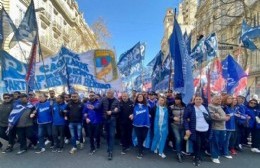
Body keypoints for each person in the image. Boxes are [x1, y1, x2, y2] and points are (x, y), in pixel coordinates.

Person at [89, 89, 119, 160]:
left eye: (109, 93)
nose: (107, 94)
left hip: (112, 120)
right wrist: (94, 108)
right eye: (107, 93)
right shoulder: (103, 99)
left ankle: (110, 151)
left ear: (112, 94)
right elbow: (98, 107)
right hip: (105, 120)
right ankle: (109, 146)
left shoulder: (116, 101)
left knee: (111, 135)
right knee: (107, 135)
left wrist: (112, 112)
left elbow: (119, 109)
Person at [184, 95, 210, 166]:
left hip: (205, 129)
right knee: (197, 144)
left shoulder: (205, 107)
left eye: (200, 99)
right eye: (196, 99)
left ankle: (198, 156)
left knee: (202, 144)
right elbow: (185, 119)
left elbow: (208, 117)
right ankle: (196, 159)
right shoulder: (190, 108)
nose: (198, 100)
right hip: (195, 129)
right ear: (194, 100)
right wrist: (187, 129)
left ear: (202, 100)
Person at [208, 95, 231, 164]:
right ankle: (214, 157)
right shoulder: (210, 106)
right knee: (215, 142)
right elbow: (213, 117)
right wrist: (225, 118)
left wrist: (226, 116)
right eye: (217, 99)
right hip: (215, 128)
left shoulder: (219, 106)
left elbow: (220, 116)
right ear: (212, 100)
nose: (219, 100)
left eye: (220, 99)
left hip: (223, 127)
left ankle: (216, 154)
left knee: (221, 141)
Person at [129, 93, 150, 159]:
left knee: (144, 136)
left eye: (141, 97)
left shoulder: (147, 105)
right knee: (139, 138)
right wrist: (131, 115)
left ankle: (140, 147)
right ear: (137, 98)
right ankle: (140, 152)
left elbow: (152, 112)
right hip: (137, 124)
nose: (140, 98)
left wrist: (150, 115)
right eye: (138, 97)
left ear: (143, 98)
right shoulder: (134, 105)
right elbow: (131, 112)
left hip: (145, 124)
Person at [169, 93, 186, 162]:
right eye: (176, 99)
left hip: (183, 125)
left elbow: (188, 115)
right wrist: (173, 118)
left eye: (178, 99)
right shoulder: (171, 107)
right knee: (178, 138)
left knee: (182, 139)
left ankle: (180, 151)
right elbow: (169, 116)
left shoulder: (185, 107)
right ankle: (178, 153)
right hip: (174, 125)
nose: (177, 101)